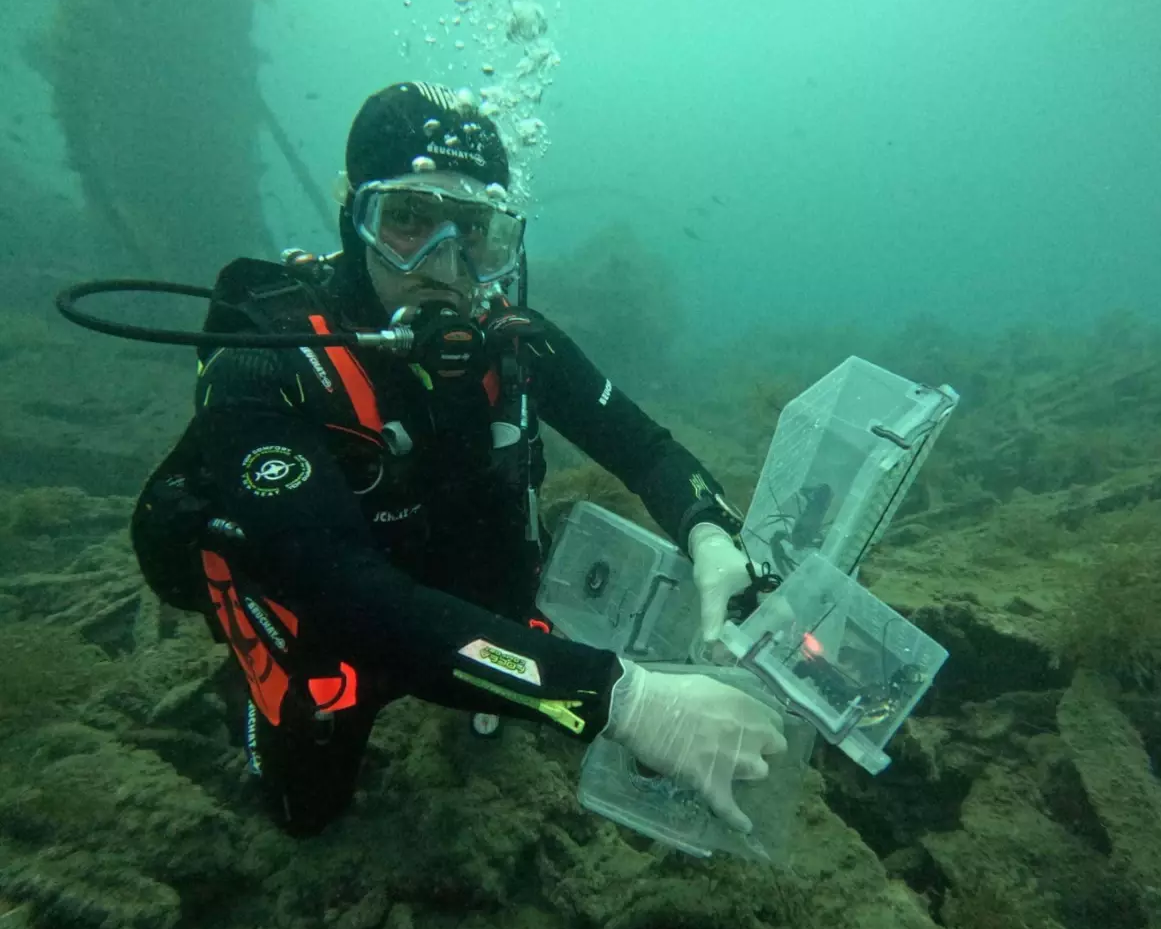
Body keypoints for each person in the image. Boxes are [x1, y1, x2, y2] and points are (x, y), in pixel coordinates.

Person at [132, 81, 786, 838]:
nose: (445, 266)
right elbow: (346, 595)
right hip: (332, 608)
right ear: (356, 217)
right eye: (409, 220)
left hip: (448, 591)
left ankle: (489, 668)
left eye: (475, 233)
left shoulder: (513, 339)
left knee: (504, 634)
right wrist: (621, 699)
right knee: (306, 814)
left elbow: (644, 448)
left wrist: (708, 531)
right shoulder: (266, 359)